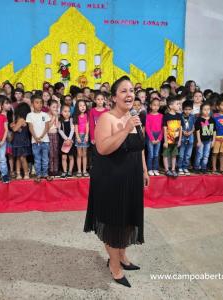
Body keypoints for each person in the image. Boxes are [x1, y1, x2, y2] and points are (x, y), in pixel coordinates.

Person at [84, 76, 149, 288]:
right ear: (114, 97)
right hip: (111, 180)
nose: (129, 94)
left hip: (131, 178)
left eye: (131, 90)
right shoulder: (107, 119)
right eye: (123, 91)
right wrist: (125, 127)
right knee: (113, 223)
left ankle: (122, 256)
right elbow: (103, 148)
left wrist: (145, 170)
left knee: (128, 220)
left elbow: (138, 148)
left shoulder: (135, 117)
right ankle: (114, 265)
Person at [26, 94, 52, 183]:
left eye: (41, 102)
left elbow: (47, 127)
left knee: (45, 159)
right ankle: (38, 175)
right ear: (32, 104)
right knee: (37, 159)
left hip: (45, 140)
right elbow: (30, 127)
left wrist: (41, 136)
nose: (39, 104)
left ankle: (45, 174)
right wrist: (35, 137)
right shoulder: (29, 115)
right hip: (35, 141)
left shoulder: (45, 114)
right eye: (37, 103)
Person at [162, 96, 182, 177]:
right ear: (170, 106)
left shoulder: (179, 116)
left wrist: (180, 140)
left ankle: (173, 169)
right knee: (165, 155)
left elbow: (181, 128)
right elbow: (164, 129)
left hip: (176, 140)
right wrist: (165, 141)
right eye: (177, 104)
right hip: (168, 140)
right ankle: (167, 170)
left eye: (179, 104)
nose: (179, 106)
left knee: (174, 155)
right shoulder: (166, 116)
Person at [194, 103, 216, 174]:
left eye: (208, 110)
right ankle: (197, 167)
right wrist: (199, 141)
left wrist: (213, 140)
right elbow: (197, 131)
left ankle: (203, 167)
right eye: (204, 110)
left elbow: (214, 131)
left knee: (206, 155)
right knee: (199, 154)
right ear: (201, 110)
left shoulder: (212, 119)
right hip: (201, 141)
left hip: (208, 141)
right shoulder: (199, 119)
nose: (206, 111)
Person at [11, 102, 31, 180]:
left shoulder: (21, 119)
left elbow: (14, 128)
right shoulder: (21, 120)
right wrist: (14, 126)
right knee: (18, 158)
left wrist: (13, 126)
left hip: (21, 142)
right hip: (20, 142)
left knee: (22, 158)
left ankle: (26, 173)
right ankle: (18, 174)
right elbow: (17, 129)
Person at [145, 98, 163, 176]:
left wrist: (159, 138)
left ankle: (155, 168)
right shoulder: (148, 116)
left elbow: (163, 128)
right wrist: (152, 138)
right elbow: (147, 128)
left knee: (156, 154)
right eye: (154, 105)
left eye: (157, 105)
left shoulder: (161, 116)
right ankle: (149, 169)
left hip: (159, 135)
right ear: (150, 106)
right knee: (151, 154)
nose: (156, 107)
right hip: (151, 136)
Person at [177, 100, 195, 175]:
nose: (187, 111)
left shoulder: (193, 117)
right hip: (182, 137)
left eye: (189, 109)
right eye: (186, 109)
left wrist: (191, 132)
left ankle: (185, 167)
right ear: (182, 109)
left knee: (188, 154)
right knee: (181, 154)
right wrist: (183, 132)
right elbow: (178, 126)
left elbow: (194, 126)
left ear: (192, 109)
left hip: (190, 137)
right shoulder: (179, 116)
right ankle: (179, 167)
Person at [73, 99, 89, 177]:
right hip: (79, 136)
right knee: (79, 154)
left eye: (84, 105)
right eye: (80, 105)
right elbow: (76, 127)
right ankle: (79, 170)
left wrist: (86, 135)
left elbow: (87, 126)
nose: (83, 107)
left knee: (85, 154)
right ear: (77, 107)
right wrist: (77, 137)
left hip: (85, 136)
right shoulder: (76, 116)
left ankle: (84, 170)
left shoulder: (87, 115)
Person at [58, 104, 75, 178]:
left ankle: (70, 171)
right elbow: (60, 130)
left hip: (70, 141)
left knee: (71, 157)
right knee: (64, 157)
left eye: (68, 111)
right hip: (63, 141)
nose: (67, 113)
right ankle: (64, 171)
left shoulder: (71, 119)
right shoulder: (60, 120)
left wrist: (69, 139)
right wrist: (66, 139)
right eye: (65, 111)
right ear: (61, 112)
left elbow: (72, 130)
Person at [47, 99, 60, 176]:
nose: (55, 109)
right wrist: (54, 117)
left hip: (55, 134)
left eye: (56, 107)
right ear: (49, 107)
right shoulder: (46, 115)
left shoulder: (56, 115)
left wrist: (56, 117)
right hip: (49, 135)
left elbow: (57, 126)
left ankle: (56, 169)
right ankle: (50, 169)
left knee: (55, 152)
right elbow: (48, 126)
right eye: (53, 107)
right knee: (50, 153)